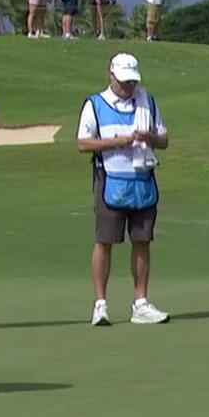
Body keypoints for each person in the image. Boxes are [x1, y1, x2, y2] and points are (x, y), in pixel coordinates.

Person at [77, 53, 171, 326]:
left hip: (142, 179)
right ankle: (100, 304)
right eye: (124, 82)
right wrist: (117, 142)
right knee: (104, 241)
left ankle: (140, 303)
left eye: (132, 82)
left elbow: (164, 139)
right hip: (110, 179)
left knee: (142, 241)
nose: (129, 88)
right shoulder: (95, 104)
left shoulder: (147, 102)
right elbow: (83, 143)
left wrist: (149, 137)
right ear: (111, 75)